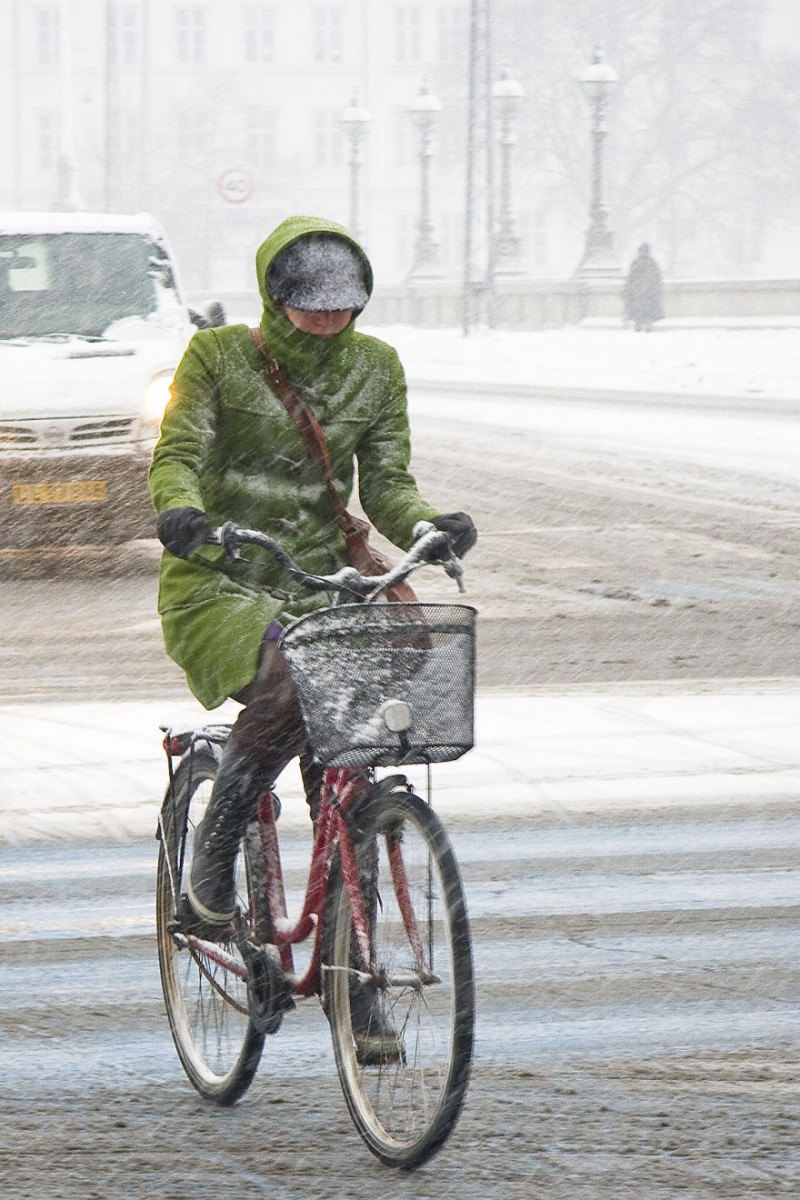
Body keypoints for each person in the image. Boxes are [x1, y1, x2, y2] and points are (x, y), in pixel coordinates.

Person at [149, 215, 477, 943]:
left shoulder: (377, 367)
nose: (328, 319)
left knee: (362, 720)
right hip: (221, 575)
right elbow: (178, 452)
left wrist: (427, 524)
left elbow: (387, 484)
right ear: (274, 293)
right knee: (288, 679)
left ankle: (351, 969)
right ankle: (212, 860)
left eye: (342, 305)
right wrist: (183, 513)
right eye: (312, 303)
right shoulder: (217, 356)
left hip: (323, 580)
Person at [623, 242, 664, 332]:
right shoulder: (650, 263)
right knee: (645, 310)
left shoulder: (638, 262)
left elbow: (630, 278)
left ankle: (642, 324)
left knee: (641, 310)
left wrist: (630, 288)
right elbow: (657, 278)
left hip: (641, 293)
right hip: (644, 293)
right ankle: (645, 324)